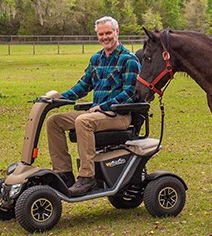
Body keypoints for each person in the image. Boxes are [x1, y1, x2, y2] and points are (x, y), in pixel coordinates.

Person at [45, 16, 141, 196]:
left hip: (118, 116)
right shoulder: (96, 58)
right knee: (54, 121)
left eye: (108, 33)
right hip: (97, 114)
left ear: (117, 32)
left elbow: (130, 93)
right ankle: (63, 174)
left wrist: (104, 106)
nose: (105, 37)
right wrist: (59, 99)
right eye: (101, 34)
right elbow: (83, 86)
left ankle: (87, 177)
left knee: (83, 121)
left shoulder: (129, 59)